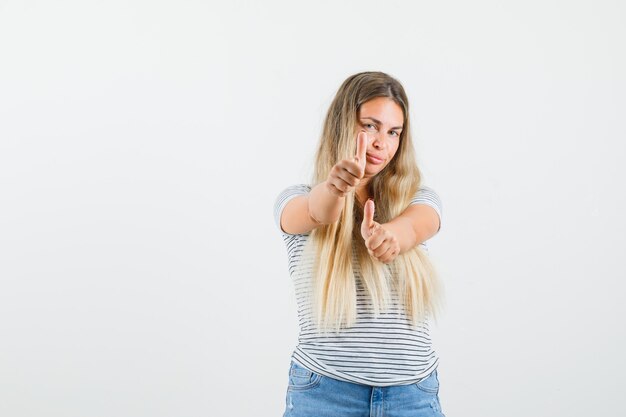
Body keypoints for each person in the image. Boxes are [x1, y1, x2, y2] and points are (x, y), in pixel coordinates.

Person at [273, 71, 446, 417]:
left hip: (412, 396)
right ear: (343, 125)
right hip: (325, 394)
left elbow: (416, 226)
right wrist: (337, 188)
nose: (382, 142)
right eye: (370, 126)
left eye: (393, 132)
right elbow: (316, 211)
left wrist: (390, 237)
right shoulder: (295, 200)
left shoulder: (418, 199)